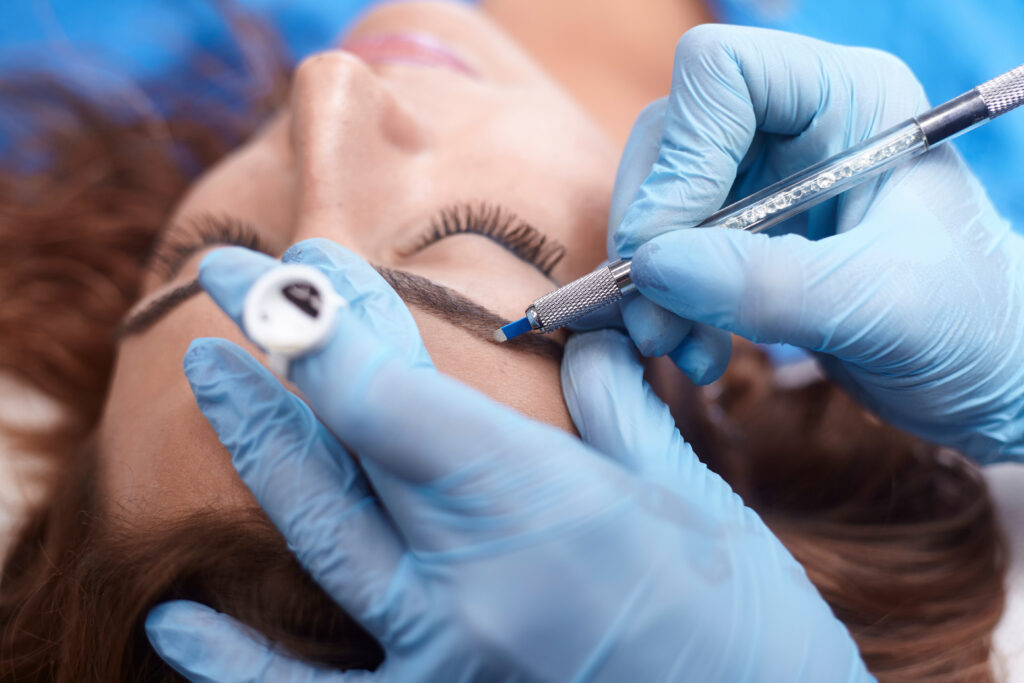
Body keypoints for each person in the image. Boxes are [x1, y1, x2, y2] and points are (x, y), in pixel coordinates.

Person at [0, 2, 1011, 681]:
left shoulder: (68, 46)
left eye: (210, 246)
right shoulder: (959, 223)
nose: (329, 98)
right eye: (472, 237)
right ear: (724, 386)